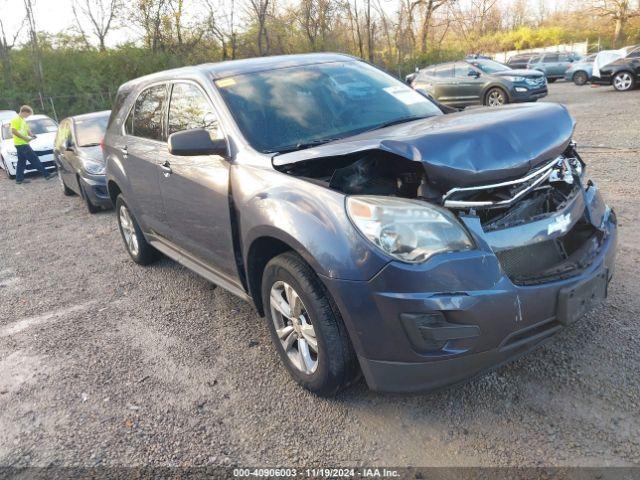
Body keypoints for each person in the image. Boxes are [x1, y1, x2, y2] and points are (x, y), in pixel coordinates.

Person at [9, 105, 57, 185]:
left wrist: (31, 135)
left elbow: (27, 130)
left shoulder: (22, 120)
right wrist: (25, 138)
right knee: (34, 159)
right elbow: (14, 131)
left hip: (22, 144)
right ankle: (47, 175)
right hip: (21, 144)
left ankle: (19, 179)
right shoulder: (15, 120)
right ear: (24, 112)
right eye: (28, 114)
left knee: (21, 162)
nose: (28, 116)